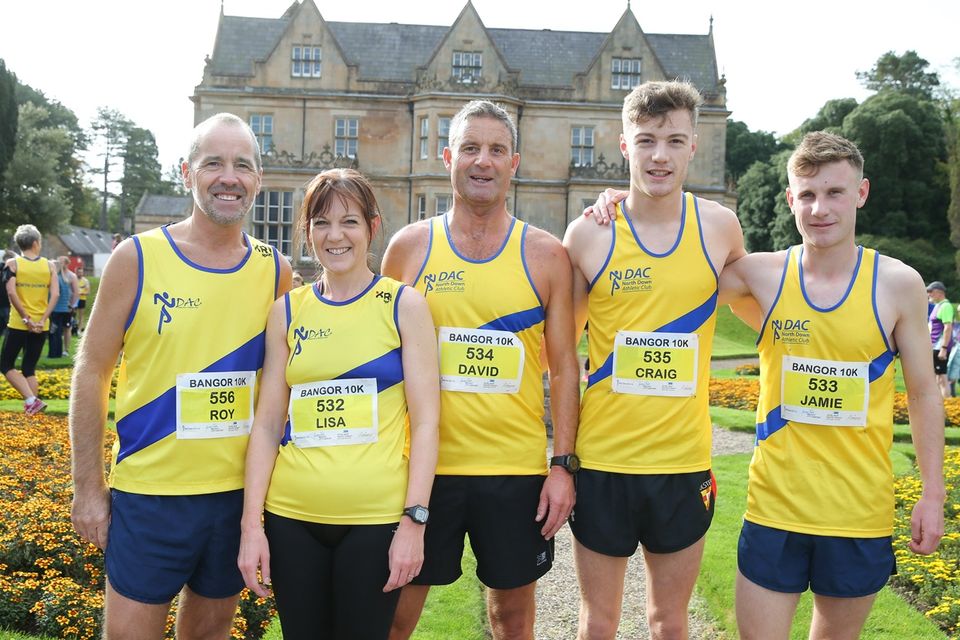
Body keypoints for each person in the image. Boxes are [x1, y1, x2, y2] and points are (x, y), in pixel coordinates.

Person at [69, 112, 292, 639]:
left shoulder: (275, 270)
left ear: (258, 179)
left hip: (236, 498)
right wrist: (87, 488)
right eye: (213, 162)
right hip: (150, 495)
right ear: (187, 173)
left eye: (243, 165)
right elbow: (92, 368)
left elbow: (285, 388)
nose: (229, 177)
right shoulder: (137, 257)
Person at [719, 131, 944, 639]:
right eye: (807, 195)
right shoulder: (762, 274)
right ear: (789, 199)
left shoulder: (898, 284)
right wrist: (628, 200)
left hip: (857, 513)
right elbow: (680, 268)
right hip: (774, 507)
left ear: (861, 193)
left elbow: (925, 394)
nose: (820, 209)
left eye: (835, 193)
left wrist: (932, 494)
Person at [383, 100, 580, 640]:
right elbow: (381, 362)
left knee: (511, 620)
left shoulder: (546, 255)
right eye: (470, 148)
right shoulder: (409, 249)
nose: (482, 161)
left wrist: (562, 465)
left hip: (513, 472)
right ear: (447, 156)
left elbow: (564, 368)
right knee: (395, 618)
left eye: (496, 150)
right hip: (423, 472)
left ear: (514, 162)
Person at [563, 80, 746, 639]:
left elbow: (774, 304)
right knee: (599, 621)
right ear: (624, 146)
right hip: (603, 463)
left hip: (681, 464)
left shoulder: (719, 228)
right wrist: (561, 458)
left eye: (674, 140)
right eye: (646, 141)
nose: (659, 155)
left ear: (694, 145)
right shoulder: (590, 235)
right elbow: (560, 356)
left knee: (669, 621)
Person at [238, 168, 440, 639]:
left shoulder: (404, 306)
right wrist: (252, 527)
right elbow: (267, 425)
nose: (335, 235)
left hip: (374, 520)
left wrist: (415, 521)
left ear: (372, 227)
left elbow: (428, 423)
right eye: (322, 222)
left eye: (349, 221)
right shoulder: (287, 311)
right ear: (306, 231)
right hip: (291, 517)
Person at [1, 225, 59, 415]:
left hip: (18, 323)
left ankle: (31, 400)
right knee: (29, 368)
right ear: (36, 243)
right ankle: (33, 411)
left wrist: (26, 319)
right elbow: (56, 295)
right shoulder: (50, 265)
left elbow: (10, 291)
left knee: (6, 364)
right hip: (41, 325)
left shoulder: (13, 263)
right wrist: (42, 320)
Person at [926, 280, 954, 398]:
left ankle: (948, 408)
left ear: (939, 292)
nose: (929, 295)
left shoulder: (946, 306)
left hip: (940, 346)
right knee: (937, 378)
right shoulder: (939, 305)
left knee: (942, 377)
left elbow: (948, 327)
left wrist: (943, 348)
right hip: (934, 346)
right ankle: (939, 405)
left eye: (930, 292)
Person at [48, 256, 79, 358]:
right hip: (64, 308)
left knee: (58, 330)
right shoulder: (63, 278)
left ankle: (59, 351)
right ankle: (60, 351)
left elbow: (75, 292)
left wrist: (72, 305)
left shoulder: (69, 276)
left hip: (59, 308)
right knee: (60, 330)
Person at [0, 250, 16, 338]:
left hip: (9, 302)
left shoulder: (14, 270)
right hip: (2, 301)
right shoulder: (1, 268)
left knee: (9, 325)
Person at [75, 264, 90, 333]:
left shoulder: (85, 281)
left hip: (82, 299)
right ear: (76, 272)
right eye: (78, 272)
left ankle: (79, 330)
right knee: (74, 315)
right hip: (74, 300)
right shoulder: (74, 279)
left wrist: (81, 293)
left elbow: (88, 292)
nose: (80, 273)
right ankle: (74, 328)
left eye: (81, 272)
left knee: (81, 315)